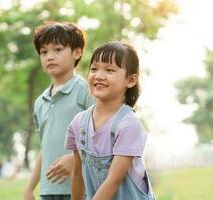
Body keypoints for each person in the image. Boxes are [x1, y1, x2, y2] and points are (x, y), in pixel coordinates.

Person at [65, 41, 156, 200]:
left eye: (109, 70)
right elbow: (78, 174)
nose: (99, 76)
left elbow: (113, 180)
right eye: (94, 69)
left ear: (131, 80)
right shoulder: (78, 123)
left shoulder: (128, 125)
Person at [24, 21, 94, 200]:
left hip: (82, 189)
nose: (49, 57)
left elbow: (100, 136)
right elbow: (44, 148)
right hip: (49, 191)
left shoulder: (86, 91)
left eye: (58, 49)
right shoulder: (40, 102)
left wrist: (74, 159)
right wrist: (30, 188)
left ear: (77, 52)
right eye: (44, 52)